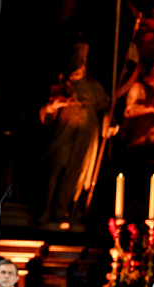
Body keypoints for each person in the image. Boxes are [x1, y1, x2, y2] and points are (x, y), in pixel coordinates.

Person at [38, 43, 110, 224]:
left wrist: (110, 122)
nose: (78, 69)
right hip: (65, 132)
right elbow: (46, 112)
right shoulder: (62, 85)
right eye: (75, 64)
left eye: (81, 64)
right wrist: (52, 107)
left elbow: (107, 108)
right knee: (55, 167)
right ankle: (47, 209)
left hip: (86, 137)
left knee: (79, 173)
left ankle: (67, 210)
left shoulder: (95, 86)